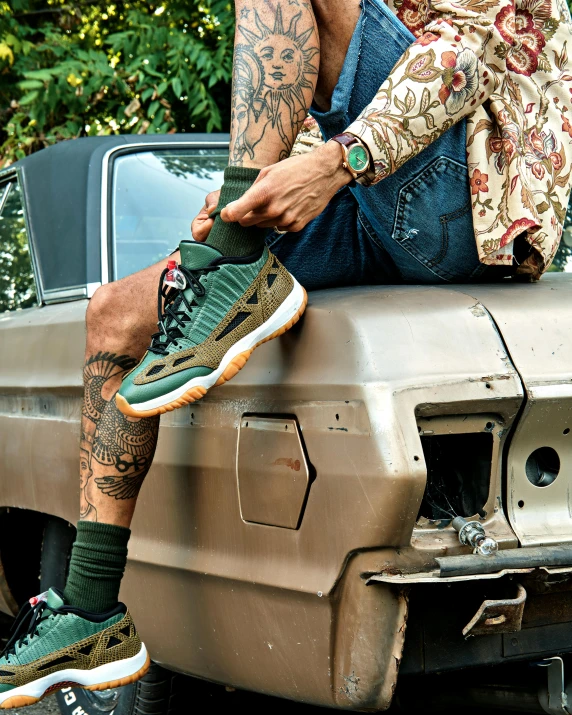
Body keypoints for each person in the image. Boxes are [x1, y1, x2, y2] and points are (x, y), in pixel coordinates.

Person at [0, 0, 571, 706]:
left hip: (460, 200)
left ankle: (235, 270)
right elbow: (327, 89)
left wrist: (334, 163)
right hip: (371, 200)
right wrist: (243, 204)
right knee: (113, 317)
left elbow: (461, 58)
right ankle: (89, 612)